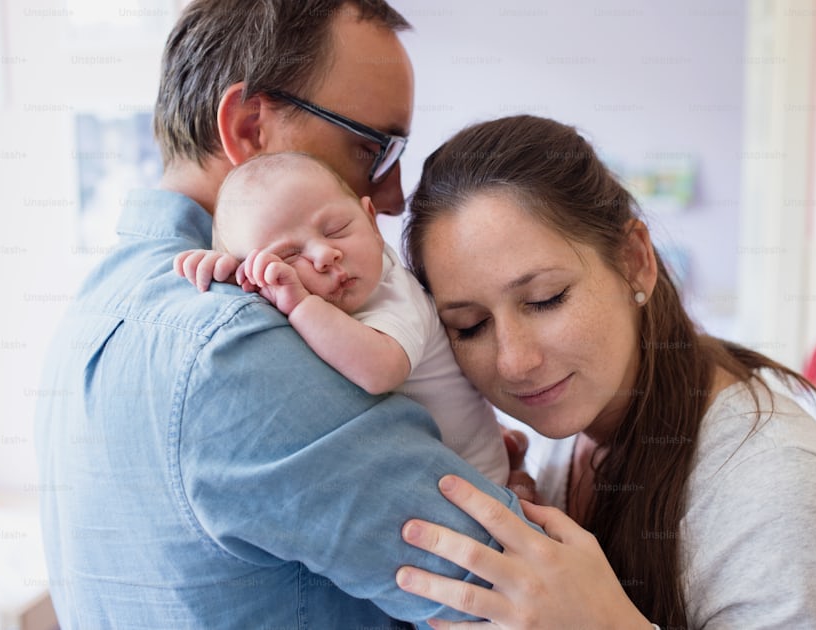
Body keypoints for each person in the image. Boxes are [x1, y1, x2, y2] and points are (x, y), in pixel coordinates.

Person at [33, 2, 534, 628]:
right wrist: (519, 498)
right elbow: (518, 588)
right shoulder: (238, 346)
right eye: (371, 148)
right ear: (248, 129)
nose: (393, 193)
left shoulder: (95, 307)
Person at [391, 115, 816, 629]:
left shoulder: (786, 497)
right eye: (470, 326)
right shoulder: (575, 425)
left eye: (546, 300)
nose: (514, 362)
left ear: (634, 260)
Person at [173, 152, 509, 483]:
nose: (324, 255)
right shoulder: (296, 292)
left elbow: (380, 371)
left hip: (476, 481)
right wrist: (228, 278)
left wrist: (301, 305)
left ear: (371, 222)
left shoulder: (393, 293)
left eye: (336, 230)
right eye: (288, 256)